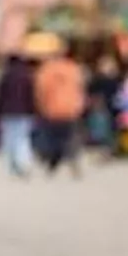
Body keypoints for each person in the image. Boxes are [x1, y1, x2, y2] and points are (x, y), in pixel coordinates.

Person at [33, 40, 85, 176]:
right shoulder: (73, 69)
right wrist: (79, 104)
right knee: (70, 137)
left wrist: (41, 105)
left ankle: (53, 163)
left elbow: (41, 90)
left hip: (52, 108)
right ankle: (73, 161)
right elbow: (80, 88)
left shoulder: (46, 69)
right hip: (71, 108)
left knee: (52, 138)